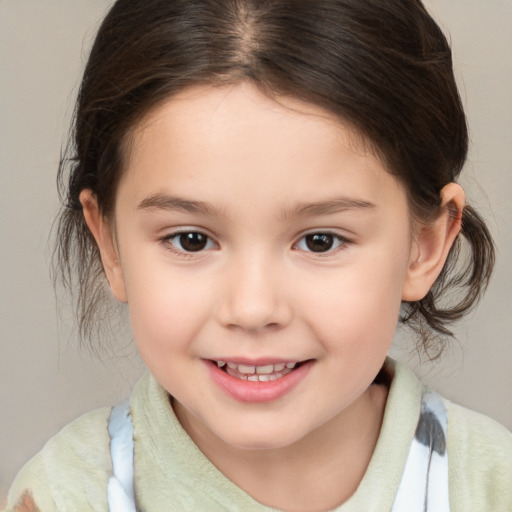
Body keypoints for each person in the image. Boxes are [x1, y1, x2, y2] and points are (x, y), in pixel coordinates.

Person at [4, 0, 511, 511]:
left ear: (423, 246)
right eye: (191, 240)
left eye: (320, 241)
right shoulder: (62, 496)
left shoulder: (491, 486)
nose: (252, 308)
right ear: (109, 244)